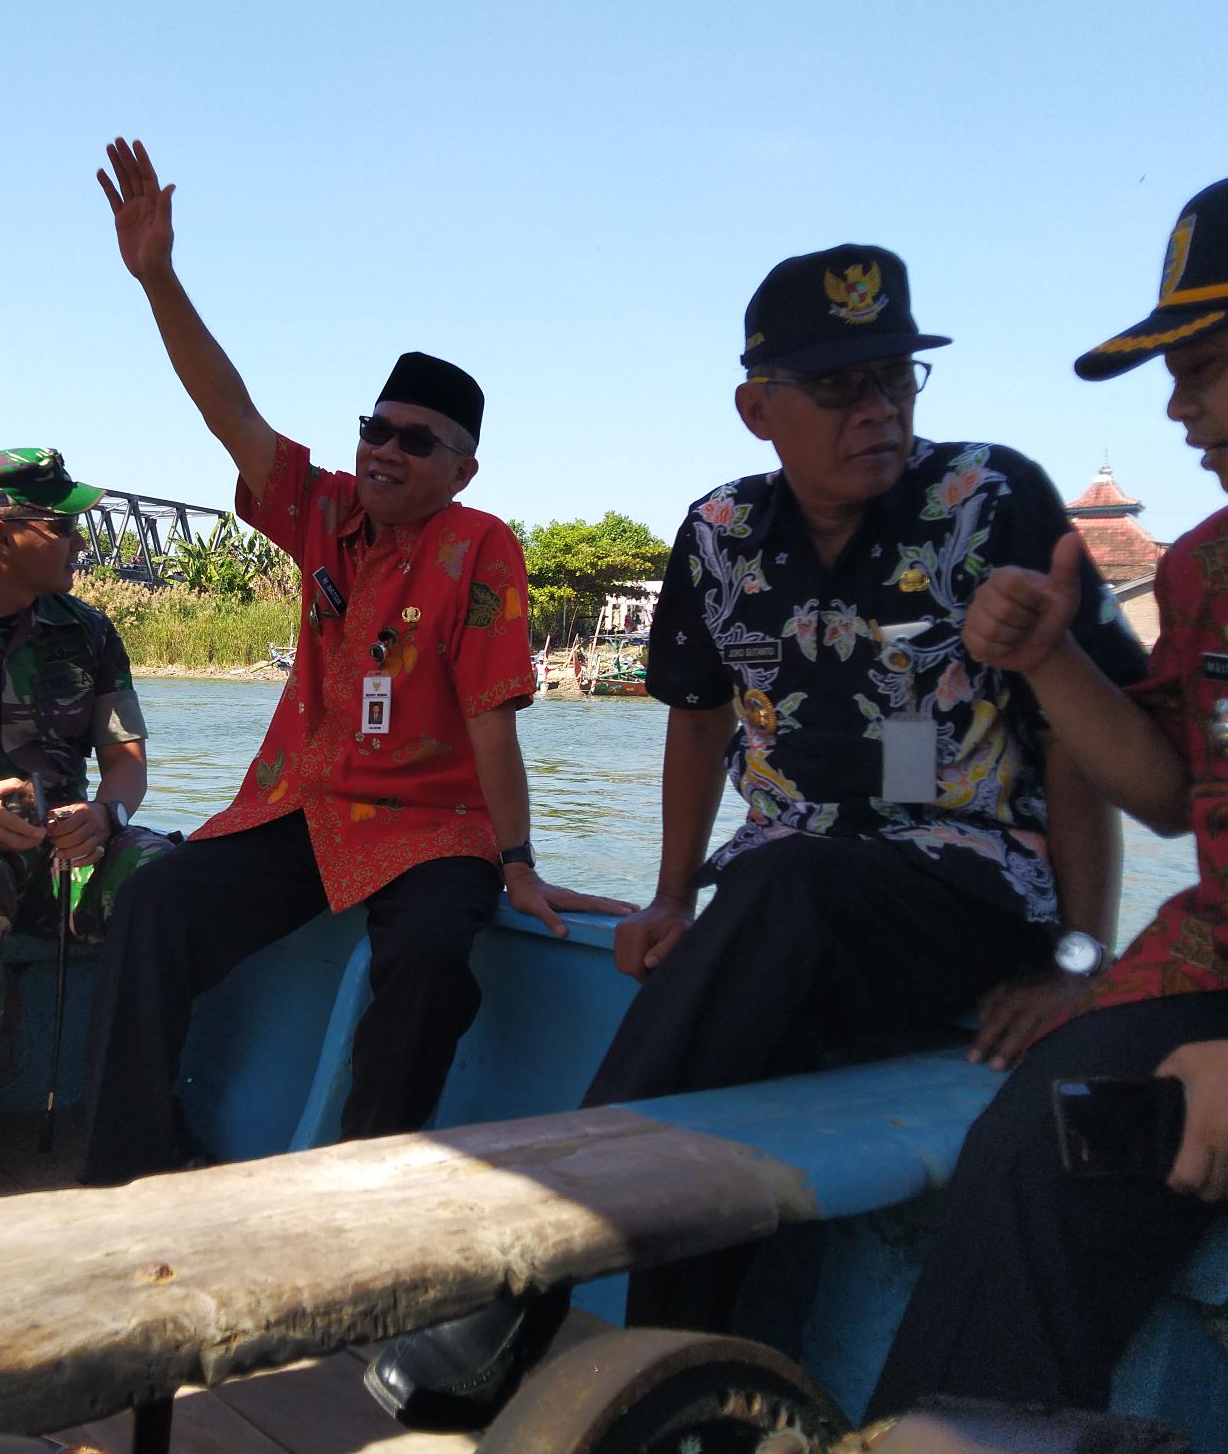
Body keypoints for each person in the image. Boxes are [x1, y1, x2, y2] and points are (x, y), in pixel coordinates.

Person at [370, 244, 1147, 1430]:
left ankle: (525, 1287)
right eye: (837, 387)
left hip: (968, 897)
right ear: (757, 407)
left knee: (780, 899)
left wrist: (1081, 959)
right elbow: (696, 722)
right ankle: (681, 1389)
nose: (876, 411)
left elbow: (1079, 739)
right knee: (730, 1043)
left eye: (893, 378)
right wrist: (667, 898)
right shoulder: (721, 532)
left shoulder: (989, 502)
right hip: (785, 910)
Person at [871, 164, 1228, 1454]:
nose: (1177, 410)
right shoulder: (1217, 561)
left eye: (1206, 367)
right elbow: (1173, 795)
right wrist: (1047, 659)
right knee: (1034, 1151)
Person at [82, 137, 632, 1187]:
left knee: (427, 960)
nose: (384, 449)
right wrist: (157, 278)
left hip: (434, 826)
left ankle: (365, 1189)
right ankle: (125, 1168)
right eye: (375, 428)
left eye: (415, 441)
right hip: (304, 805)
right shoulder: (323, 510)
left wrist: (517, 862)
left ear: (462, 468)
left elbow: (491, 721)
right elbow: (229, 411)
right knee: (156, 903)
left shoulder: (481, 547)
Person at [0, 446, 175, 1206]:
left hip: (67, 853)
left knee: (162, 876)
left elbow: (126, 761)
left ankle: (139, 1094)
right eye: (62, 526)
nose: (80, 542)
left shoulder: (88, 631)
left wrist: (106, 816)